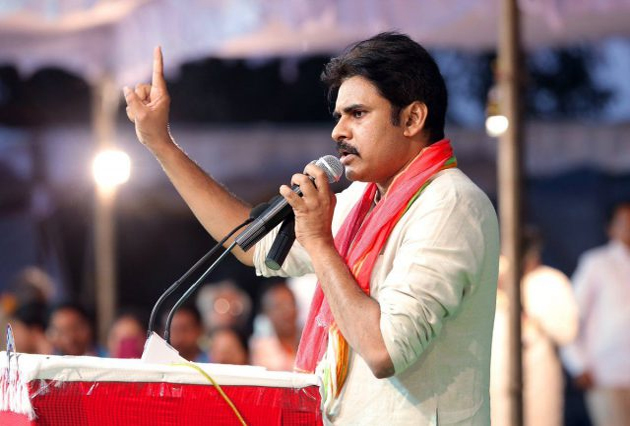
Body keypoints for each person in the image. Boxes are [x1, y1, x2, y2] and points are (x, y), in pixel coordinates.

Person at [124, 32, 499, 424]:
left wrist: (320, 242)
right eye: (339, 117)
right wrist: (161, 144)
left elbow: (384, 350)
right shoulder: (362, 200)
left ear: (412, 119)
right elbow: (252, 244)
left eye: (358, 114)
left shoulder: (450, 204)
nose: (338, 132)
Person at [491, 229, 578, 426]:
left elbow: (568, 332)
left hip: (539, 374)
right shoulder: (493, 278)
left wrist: (528, 305)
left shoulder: (550, 281)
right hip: (498, 375)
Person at [561, 201, 630, 426]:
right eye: (623, 221)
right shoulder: (597, 263)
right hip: (606, 373)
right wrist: (578, 364)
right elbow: (570, 316)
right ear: (610, 228)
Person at [250, 281, 300, 371]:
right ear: (267, 313)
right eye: (279, 307)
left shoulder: (311, 340)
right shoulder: (261, 347)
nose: (287, 311)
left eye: (290, 304)